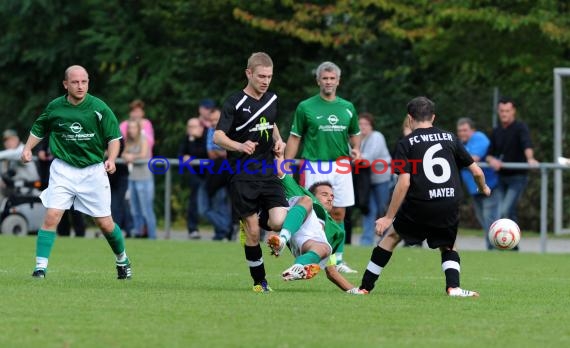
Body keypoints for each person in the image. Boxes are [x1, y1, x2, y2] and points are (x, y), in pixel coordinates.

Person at [359, 96, 490, 297]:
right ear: (433, 117)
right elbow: (478, 172)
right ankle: (453, 287)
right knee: (449, 243)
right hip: (448, 201)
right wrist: (484, 189)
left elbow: (404, 182)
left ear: (410, 119)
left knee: (392, 236)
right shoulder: (450, 138)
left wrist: (388, 217)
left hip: (421, 202)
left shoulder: (405, 143)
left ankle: (364, 287)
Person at [20, 65, 131, 279]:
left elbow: (114, 138)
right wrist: (27, 148)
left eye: (84, 82)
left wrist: (111, 158)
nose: (80, 86)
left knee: (105, 224)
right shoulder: (55, 107)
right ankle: (40, 268)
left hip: (92, 171)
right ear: (65, 84)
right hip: (63, 169)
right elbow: (39, 129)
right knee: (52, 215)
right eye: (75, 82)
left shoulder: (99, 107)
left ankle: (122, 260)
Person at [214, 52, 288, 293]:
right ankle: (260, 282)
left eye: (269, 76)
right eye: (261, 76)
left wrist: (279, 142)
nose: (266, 81)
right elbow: (218, 136)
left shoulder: (272, 98)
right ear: (249, 73)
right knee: (253, 232)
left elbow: (271, 122)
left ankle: (258, 223)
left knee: (278, 221)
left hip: (267, 171)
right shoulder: (234, 102)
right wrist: (239, 146)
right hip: (242, 173)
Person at [284, 61, 361, 273]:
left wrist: (356, 149)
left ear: (338, 81)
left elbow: (355, 135)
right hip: (315, 164)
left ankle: (337, 260)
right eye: (325, 78)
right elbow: (294, 137)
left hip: (341, 164)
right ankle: (312, 253)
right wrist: (286, 163)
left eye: (332, 78)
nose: (328, 82)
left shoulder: (347, 107)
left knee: (339, 213)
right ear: (318, 81)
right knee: (315, 212)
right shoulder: (306, 106)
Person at [266, 156, 367, 294]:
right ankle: (283, 239)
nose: (330, 197)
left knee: (325, 249)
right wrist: (279, 153)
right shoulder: (303, 195)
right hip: (296, 226)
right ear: (313, 194)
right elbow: (281, 171)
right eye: (324, 194)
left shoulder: (332, 229)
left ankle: (298, 267)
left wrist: (354, 290)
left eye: (332, 196)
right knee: (306, 202)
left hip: (308, 245)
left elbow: (331, 271)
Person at [486, 97, 538, 225]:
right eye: (502, 111)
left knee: (505, 211)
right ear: (498, 112)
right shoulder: (496, 130)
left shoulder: (520, 127)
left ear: (513, 111)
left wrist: (530, 159)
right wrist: (492, 160)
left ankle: (510, 242)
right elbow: (488, 154)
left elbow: (527, 144)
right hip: (501, 178)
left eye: (507, 111)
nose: (504, 114)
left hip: (517, 177)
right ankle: (512, 244)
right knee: (506, 212)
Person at [456, 117, 500, 250]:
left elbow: (471, 159)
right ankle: (493, 248)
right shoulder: (460, 143)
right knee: (483, 220)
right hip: (474, 189)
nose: (462, 133)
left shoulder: (479, 137)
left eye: (465, 130)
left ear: (473, 130)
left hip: (489, 186)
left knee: (490, 219)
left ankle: (494, 249)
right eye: (460, 131)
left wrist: (457, 158)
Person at [357, 112, 392, 246]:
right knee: (368, 209)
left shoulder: (377, 136)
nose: (363, 127)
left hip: (382, 179)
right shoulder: (357, 139)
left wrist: (357, 156)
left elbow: (369, 158)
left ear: (371, 126)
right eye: (360, 124)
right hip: (366, 182)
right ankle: (366, 241)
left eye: (366, 124)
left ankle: (387, 240)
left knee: (383, 210)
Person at [200, 108, 232, 241]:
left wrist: (221, 152)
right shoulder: (210, 131)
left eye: (215, 119)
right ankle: (226, 229)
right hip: (213, 174)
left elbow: (228, 153)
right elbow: (212, 153)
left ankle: (224, 231)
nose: (213, 122)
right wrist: (221, 152)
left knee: (220, 206)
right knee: (207, 208)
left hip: (225, 175)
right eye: (211, 120)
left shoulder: (229, 130)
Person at [122, 119, 156, 239]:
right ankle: (138, 233)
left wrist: (132, 157)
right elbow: (123, 153)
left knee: (146, 210)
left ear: (138, 128)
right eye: (129, 128)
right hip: (133, 178)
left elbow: (143, 154)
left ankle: (152, 236)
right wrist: (126, 156)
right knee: (135, 210)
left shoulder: (143, 139)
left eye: (133, 128)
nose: (131, 130)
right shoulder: (129, 141)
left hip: (144, 178)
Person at [177, 117, 208, 239]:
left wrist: (190, 157)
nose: (190, 129)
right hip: (195, 175)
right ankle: (193, 229)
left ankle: (223, 230)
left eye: (193, 127)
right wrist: (184, 157)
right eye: (189, 127)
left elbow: (206, 153)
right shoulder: (188, 138)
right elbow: (180, 153)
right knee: (193, 203)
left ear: (201, 127)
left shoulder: (207, 136)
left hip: (211, 175)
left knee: (210, 205)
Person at [0, 129, 40, 198]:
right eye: (6, 141)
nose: (8, 143)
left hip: (35, 195)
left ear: (17, 139)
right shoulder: (7, 159)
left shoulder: (24, 149)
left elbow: (16, 154)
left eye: (11, 139)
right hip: (18, 197)